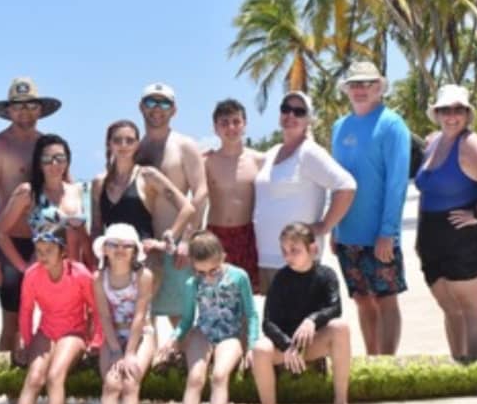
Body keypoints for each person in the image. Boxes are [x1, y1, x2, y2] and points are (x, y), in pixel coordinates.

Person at [414, 85, 477, 360]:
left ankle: (474, 367)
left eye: (457, 110)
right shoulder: (432, 142)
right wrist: (421, 239)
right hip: (432, 237)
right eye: (445, 110)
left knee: (471, 307)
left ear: (467, 114)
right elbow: (425, 190)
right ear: (437, 113)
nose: (451, 116)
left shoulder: (470, 143)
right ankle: (458, 363)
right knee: (449, 308)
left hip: (466, 237)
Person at [0, 77, 62, 355]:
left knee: (56, 315)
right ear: (9, 111)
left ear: (40, 109)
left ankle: (46, 375)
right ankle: (7, 393)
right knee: (11, 321)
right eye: (18, 106)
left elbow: (65, 194)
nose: (24, 111)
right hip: (9, 244)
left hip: (47, 244)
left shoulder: (49, 147)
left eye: (31, 105)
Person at [331, 62, 411, 356]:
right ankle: (372, 358)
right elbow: (336, 181)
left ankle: (387, 363)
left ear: (379, 88)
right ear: (347, 90)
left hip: (380, 235)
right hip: (347, 234)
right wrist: (335, 226)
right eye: (355, 84)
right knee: (363, 300)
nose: (360, 90)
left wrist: (388, 232)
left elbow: (397, 183)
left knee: (386, 300)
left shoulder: (392, 124)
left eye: (367, 84)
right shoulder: (339, 127)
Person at [90, 119, 196, 318]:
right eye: (118, 140)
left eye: (129, 140)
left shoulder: (148, 176)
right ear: (109, 144)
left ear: (137, 144)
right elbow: (96, 227)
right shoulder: (98, 183)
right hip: (112, 261)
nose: (123, 145)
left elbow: (187, 208)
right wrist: (96, 260)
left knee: (142, 319)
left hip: (145, 261)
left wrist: (168, 238)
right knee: (117, 323)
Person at [254, 92, 356, 293]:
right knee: (277, 321)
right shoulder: (271, 152)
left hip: (299, 259)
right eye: (286, 109)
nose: (291, 115)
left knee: (301, 321)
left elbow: (346, 185)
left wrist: (325, 225)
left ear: (308, 120)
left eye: (299, 111)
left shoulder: (310, 152)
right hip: (267, 256)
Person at [157, 231, 259, 404]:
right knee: (195, 378)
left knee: (220, 376)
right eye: (201, 272)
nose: (208, 276)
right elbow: (187, 320)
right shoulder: (192, 284)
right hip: (202, 332)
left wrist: (252, 345)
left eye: (213, 270)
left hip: (231, 334)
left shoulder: (239, 277)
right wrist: (173, 338)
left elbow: (252, 314)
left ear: (223, 257)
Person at [11, 223, 100, 404]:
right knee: (33, 378)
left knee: (54, 376)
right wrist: (28, 341)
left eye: (49, 251)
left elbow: (96, 310)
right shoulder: (32, 275)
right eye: (39, 251)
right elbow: (26, 312)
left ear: (64, 251)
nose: (42, 257)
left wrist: (96, 341)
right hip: (47, 330)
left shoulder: (80, 274)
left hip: (74, 332)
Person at [251, 223, 351, 404]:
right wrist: (287, 345)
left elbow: (335, 308)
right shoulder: (281, 279)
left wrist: (312, 320)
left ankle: (341, 403)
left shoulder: (326, 275)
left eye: (294, 251)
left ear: (313, 249)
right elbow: (268, 322)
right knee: (260, 349)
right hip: (285, 349)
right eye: (284, 251)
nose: (288, 257)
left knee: (340, 327)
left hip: (313, 344)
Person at [135, 83, 208, 324]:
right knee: (144, 312)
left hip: (175, 243)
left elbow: (200, 192)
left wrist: (187, 239)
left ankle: (182, 356)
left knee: (179, 314)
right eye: (151, 102)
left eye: (164, 103)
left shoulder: (184, 145)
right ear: (141, 107)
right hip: (142, 242)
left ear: (173, 110)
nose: (157, 108)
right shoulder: (135, 147)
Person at [0, 134, 94, 281]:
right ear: (39, 163)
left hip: (74, 274)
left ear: (67, 161)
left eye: (60, 158)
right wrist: (23, 268)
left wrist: (91, 270)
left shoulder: (77, 191)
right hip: (43, 274)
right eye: (47, 159)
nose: (54, 163)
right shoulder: (28, 192)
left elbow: (84, 238)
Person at [92, 223, 156, 404]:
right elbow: (104, 316)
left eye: (126, 246)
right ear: (104, 249)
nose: (120, 250)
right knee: (111, 384)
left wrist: (128, 353)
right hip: (113, 335)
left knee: (130, 382)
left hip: (141, 335)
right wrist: (115, 349)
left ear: (135, 251)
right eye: (113, 245)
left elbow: (139, 316)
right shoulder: (99, 278)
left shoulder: (143, 276)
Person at [204, 98, 264, 292]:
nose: (231, 127)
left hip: (247, 235)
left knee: (246, 298)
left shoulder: (259, 160)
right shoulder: (206, 161)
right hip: (215, 236)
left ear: (244, 124)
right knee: (215, 296)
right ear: (215, 128)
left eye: (236, 121)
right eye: (224, 123)